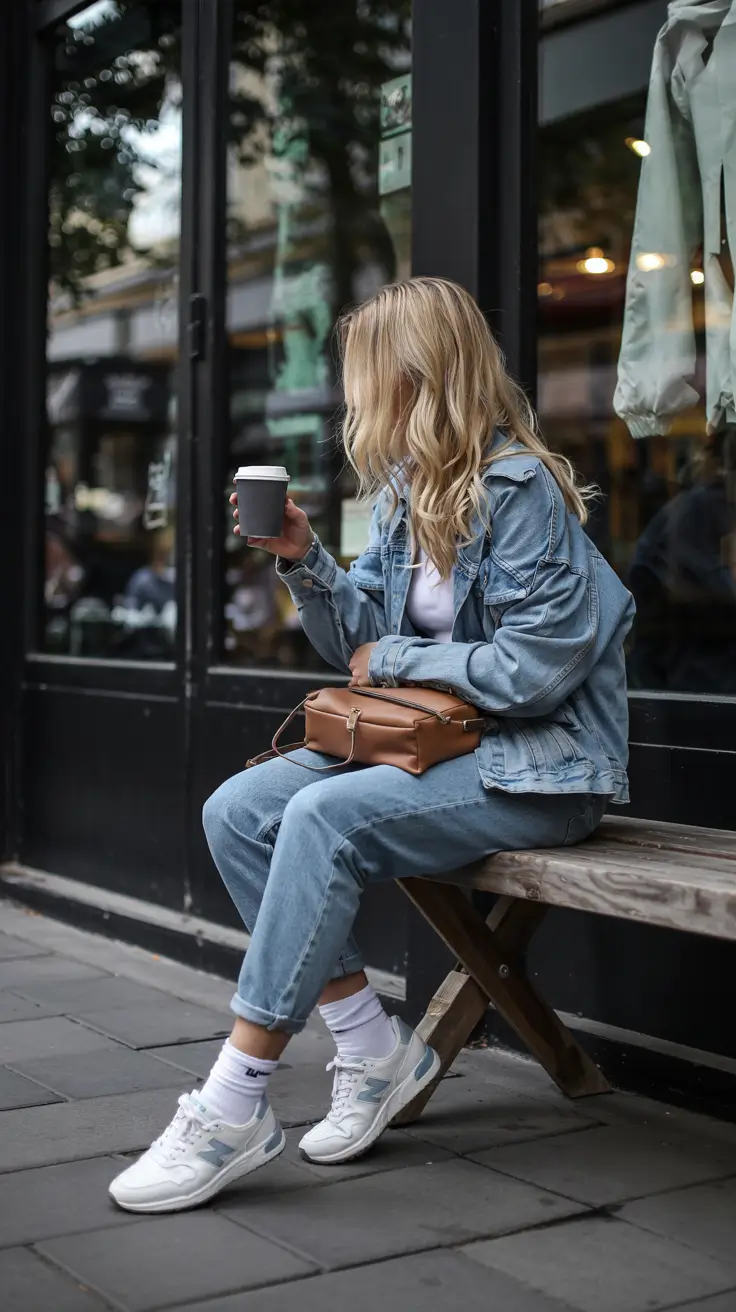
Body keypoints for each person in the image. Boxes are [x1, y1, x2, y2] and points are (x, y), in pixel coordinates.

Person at [110, 277, 635, 1214]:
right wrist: (307, 562)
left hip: (543, 764)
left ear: (416, 378)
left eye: (364, 378)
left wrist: (390, 651)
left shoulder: (520, 492)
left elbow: (534, 673)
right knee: (236, 811)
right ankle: (370, 1047)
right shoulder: (404, 492)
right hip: (433, 746)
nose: (353, 400)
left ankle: (233, 1106)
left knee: (320, 818)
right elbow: (353, 646)